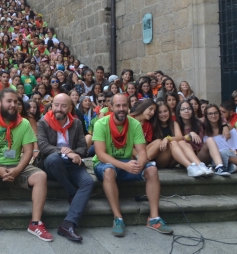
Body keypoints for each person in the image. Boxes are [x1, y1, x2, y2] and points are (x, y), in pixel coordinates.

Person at [0, 88, 53, 243]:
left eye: (15, 101)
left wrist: (17, 170)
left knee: (41, 175)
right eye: (9, 101)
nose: (13, 105)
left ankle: (35, 223)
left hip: (16, 163)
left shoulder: (24, 123)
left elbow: (28, 152)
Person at [92, 93, 173, 237]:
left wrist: (140, 164)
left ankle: (154, 218)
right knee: (109, 170)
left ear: (128, 106)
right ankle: (118, 218)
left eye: (124, 105)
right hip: (104, 163)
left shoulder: (134, 124)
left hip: (127, 162)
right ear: (111, 107)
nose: (121, 108)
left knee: (152, 169)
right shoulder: (101, 124)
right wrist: (125, 166)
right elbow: (100, 154)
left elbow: (142, 152)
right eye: (118, 105)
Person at [36, 93, 92, 242]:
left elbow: (83, 147)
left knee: (88, 182)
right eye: (56, 105)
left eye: (63, 106)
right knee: (54, 158)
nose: (58, 109)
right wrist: (63, 151)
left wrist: (74, 153)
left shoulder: (77, 123)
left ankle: (68, 224)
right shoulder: (43, 122)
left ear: (70, 107)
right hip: (52, 163)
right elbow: (43, 146)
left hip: (72, 163)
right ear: (52, 105)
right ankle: (72, 192)